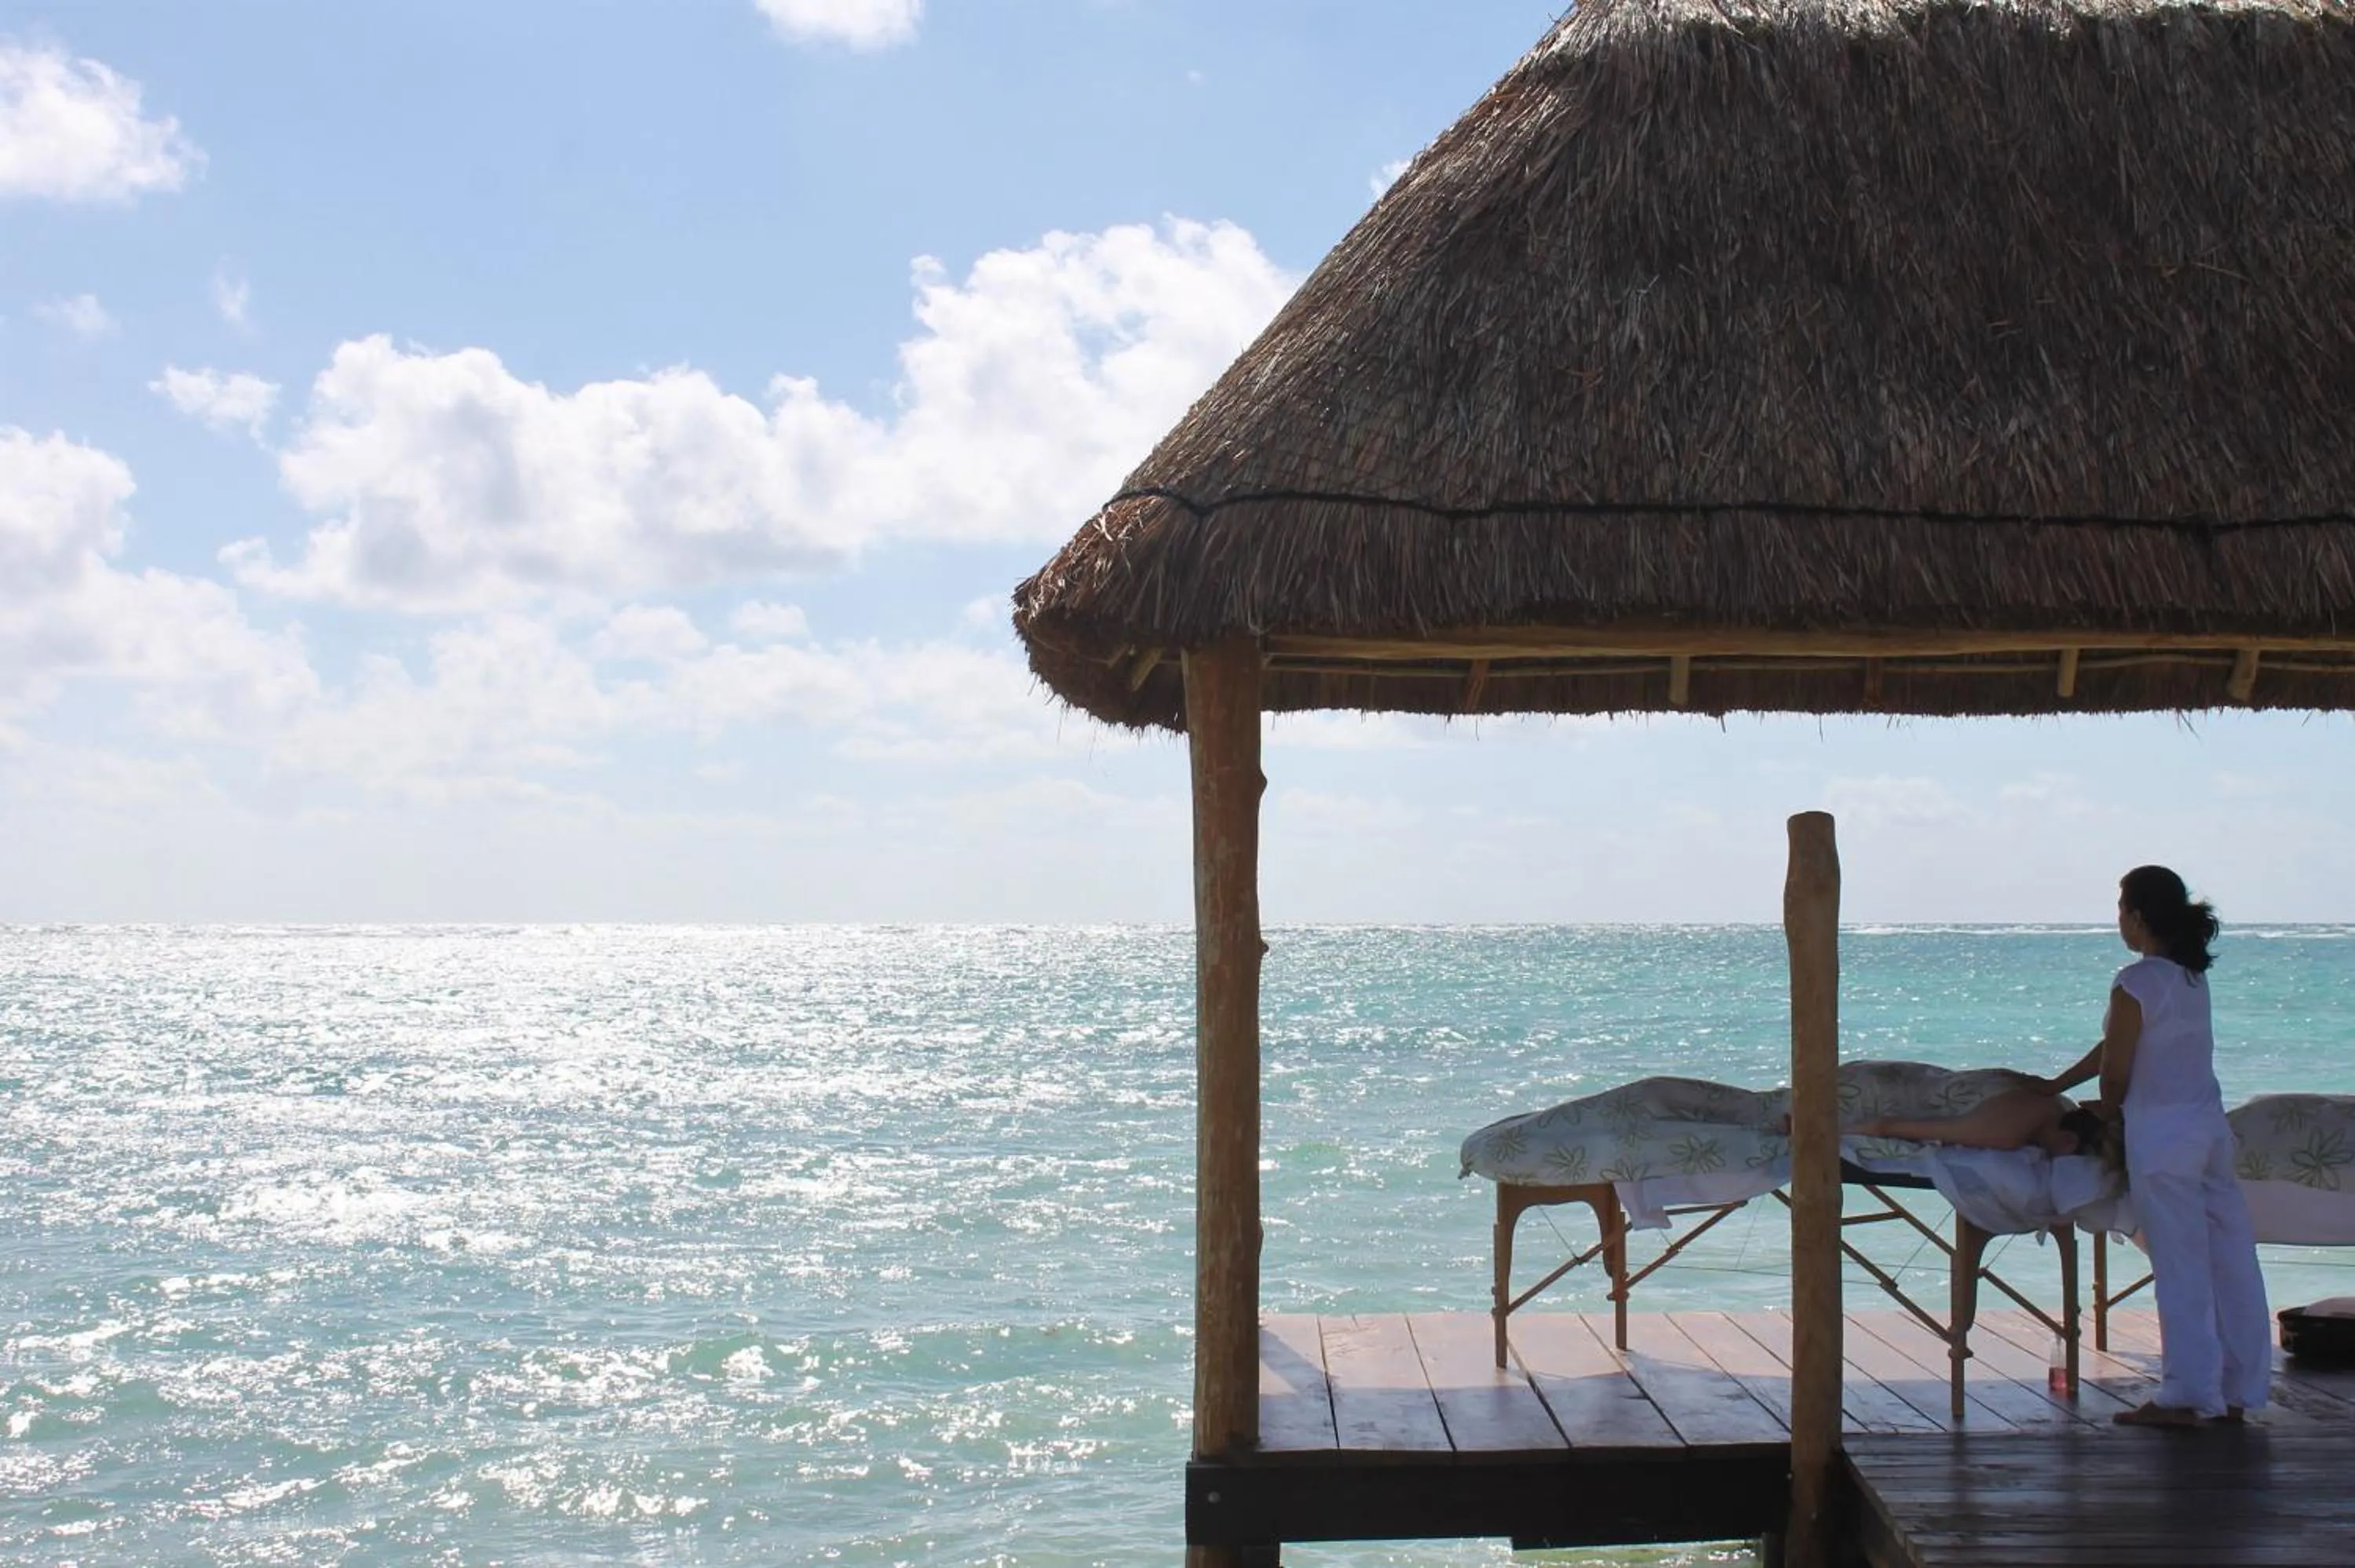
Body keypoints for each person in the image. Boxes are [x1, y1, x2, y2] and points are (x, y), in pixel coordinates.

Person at [2022, 866, 2270, 1428]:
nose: (2119, 921)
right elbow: (2115, 1046)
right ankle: (2238, 1388)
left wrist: (2101, 1110)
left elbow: (2116, 1067)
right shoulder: (2188, 979)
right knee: (2231, 1260)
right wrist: (2058, 1086)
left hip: (2163, 1139)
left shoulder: (2134, 981)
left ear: (2136, 916)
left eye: (2120, 909)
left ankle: (2186, 1395)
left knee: (2181, 1265)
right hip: (2208, 1130)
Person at [1853, 1087, 2109, 1158]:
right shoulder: (2006, 1132)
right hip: (1874, 1093)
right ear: (2068, 1141)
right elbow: (1888, 1126)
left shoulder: (2057, 1102)